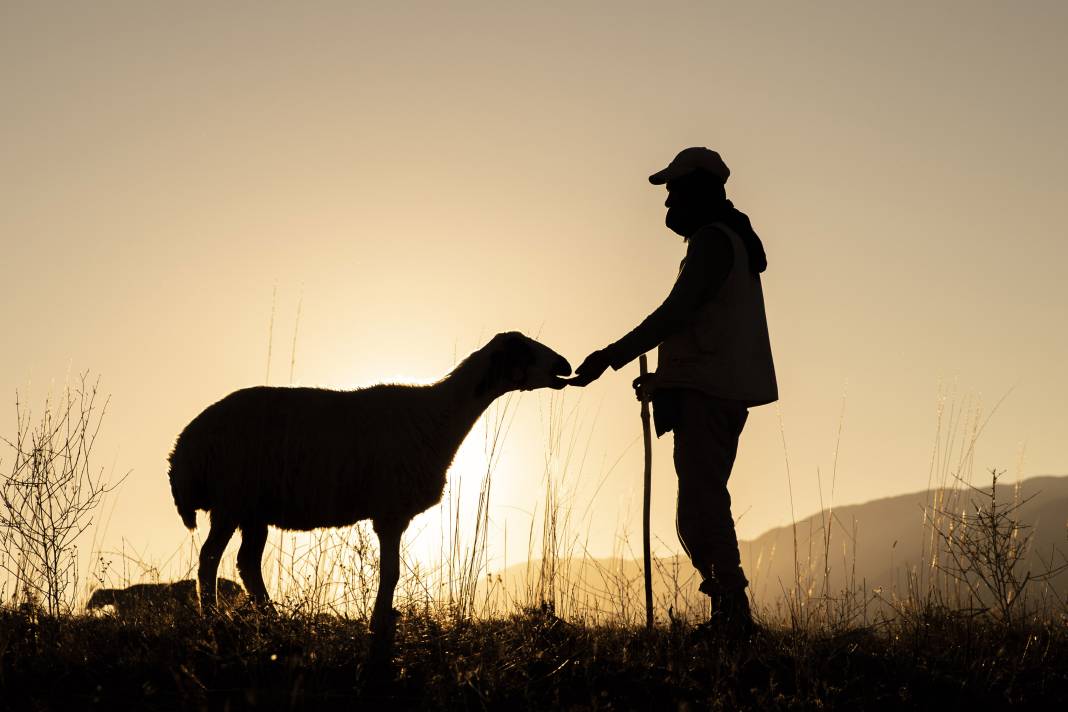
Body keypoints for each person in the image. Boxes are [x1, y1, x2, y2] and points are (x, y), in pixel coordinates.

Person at [567, 147, 777, 636]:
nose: (667, 206)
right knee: (703, 500)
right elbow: (703, 325)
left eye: (674, 192)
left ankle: (732, 614)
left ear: (700, 190)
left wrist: (609, 356)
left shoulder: (712, 241)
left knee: (701, 504)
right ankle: (729, 610)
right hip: (714, 387)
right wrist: (666, 379)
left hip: (708, 391)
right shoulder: (730, 240)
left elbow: (676, 314)